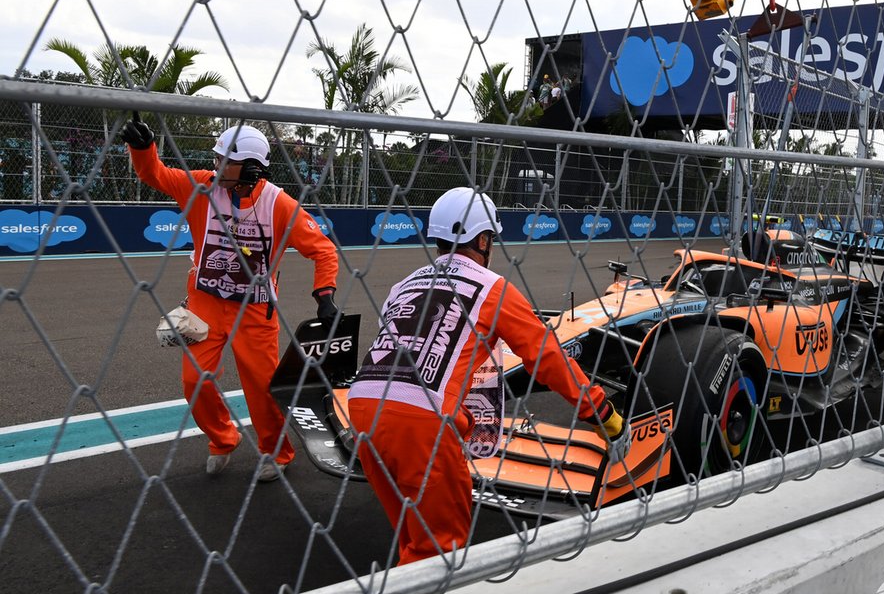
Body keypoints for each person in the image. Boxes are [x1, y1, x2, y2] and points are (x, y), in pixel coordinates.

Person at [347, 186, 630, 565]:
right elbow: (546, 357)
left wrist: (460, 422)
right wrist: (600, 412)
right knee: (440, 550)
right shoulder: (492, 289)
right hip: (421, 421)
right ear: (483, 239)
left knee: (415, 530)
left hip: (363, 408)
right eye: (491, 239)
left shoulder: (405, 284)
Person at [121, 115, 340, 482]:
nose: (217, 165)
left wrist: (325, 295)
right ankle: (223, 439)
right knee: (195, 381)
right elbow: (154, 173)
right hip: (205, 303)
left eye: (226, 160)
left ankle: (277, 452)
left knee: (261, 389)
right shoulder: (202, 186)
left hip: (254, 310)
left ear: (252, 169)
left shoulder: (278, 204)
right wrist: (143, 148)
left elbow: (323, 251)